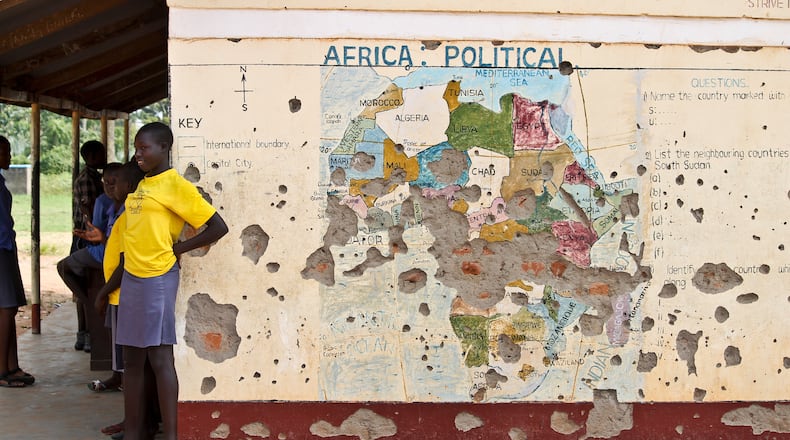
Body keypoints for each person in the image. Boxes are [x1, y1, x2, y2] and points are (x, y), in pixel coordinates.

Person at [98, 122, 228, 440]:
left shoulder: (176, 186)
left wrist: (177, 248)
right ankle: (134, 431)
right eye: (136, 148)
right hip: (131, 279)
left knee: (159, 357)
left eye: (144, 148)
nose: (138, 153)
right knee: (132, 359)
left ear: (164, 147)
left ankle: (170, 435)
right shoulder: (141, 186)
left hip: (157, 279)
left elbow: (217, 227)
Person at [58, 162, 120, 354]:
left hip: (105, 254)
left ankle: (86, 305)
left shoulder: (113, 204)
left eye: (114, 183)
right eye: (106, 183)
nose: (110, 187)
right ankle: (86, 310)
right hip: (104, 249)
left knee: (65, 267)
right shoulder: (109, 204)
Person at [0, 135, 34, 388]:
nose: (9, 157)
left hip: (6, 249)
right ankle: (2, 370)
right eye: (4, 152)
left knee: (9, 308)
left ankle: (12, 365)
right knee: (5, 309)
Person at [68, 140, 107, 351]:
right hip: (87, 236)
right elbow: (89, 212)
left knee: (87, 285)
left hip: (91, 236)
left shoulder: (94, 177)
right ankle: (86, 333)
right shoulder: (87, 179)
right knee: (85, 287)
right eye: (101, 154)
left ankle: (86, 333)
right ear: (91, 157)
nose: (105, 157)